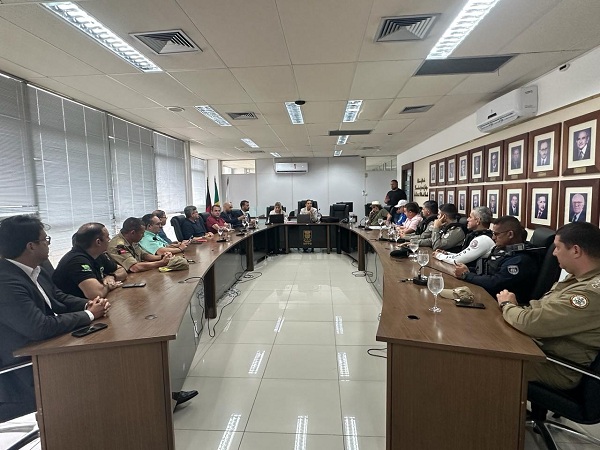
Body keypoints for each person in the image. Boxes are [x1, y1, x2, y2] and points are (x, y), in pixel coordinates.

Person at [0, 215, 110, 416]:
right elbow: (39, 326)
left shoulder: (36, 269)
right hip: (21, 370)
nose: (48, 244)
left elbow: (56, 297)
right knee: (99, 370)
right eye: (45, 240)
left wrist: (88, 304)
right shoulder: (6, 282)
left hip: (44, 350)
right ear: (31, 246)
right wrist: (89, 315)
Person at [496, 222, 600, 390]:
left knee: (484, 361)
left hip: (556, 366)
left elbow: (532, 323)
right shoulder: (578, 279)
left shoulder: (589, 294)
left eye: (557, 247)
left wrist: (507, 305)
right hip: (539, 350)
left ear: (575, 250)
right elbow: (541, 308)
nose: (553, 253)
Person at [453, 216, 539, 303]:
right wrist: (467, 269)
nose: (493, 238)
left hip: (501, 305)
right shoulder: (503, 250)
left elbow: (495, 283)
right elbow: (487, 269)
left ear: (510, 234)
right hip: (487, 295)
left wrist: (466, 275)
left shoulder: (520, 260)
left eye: (496, 234)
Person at [53, 223, 127, 299]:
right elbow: (96, 294)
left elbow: (121, 270)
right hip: (77, 308)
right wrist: (109, 285)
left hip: (97, 303)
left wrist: (112, 277)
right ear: (98, 242)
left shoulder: (98, 254)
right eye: (107, 237)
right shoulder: (76, 261)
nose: (109, 240)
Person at [107, 217, 172, 272]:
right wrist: (161, 263)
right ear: (133, 232)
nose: (143, 236)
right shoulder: (119, 245)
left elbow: (144, 255)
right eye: (142, 233)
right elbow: (134, 267)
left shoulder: (132, 240)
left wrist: (162, 257)